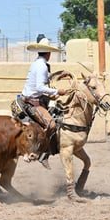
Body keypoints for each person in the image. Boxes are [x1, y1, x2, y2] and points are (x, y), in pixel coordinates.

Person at [21, 36, 67, 168]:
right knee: (51, 125)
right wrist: (58, 91)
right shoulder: (42, 66)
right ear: (48, 53)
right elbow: (40, 87)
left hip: (34, 98)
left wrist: (58, 75)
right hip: (33, 102)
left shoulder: (37, 63)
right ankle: (43, 153)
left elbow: (44, 80)